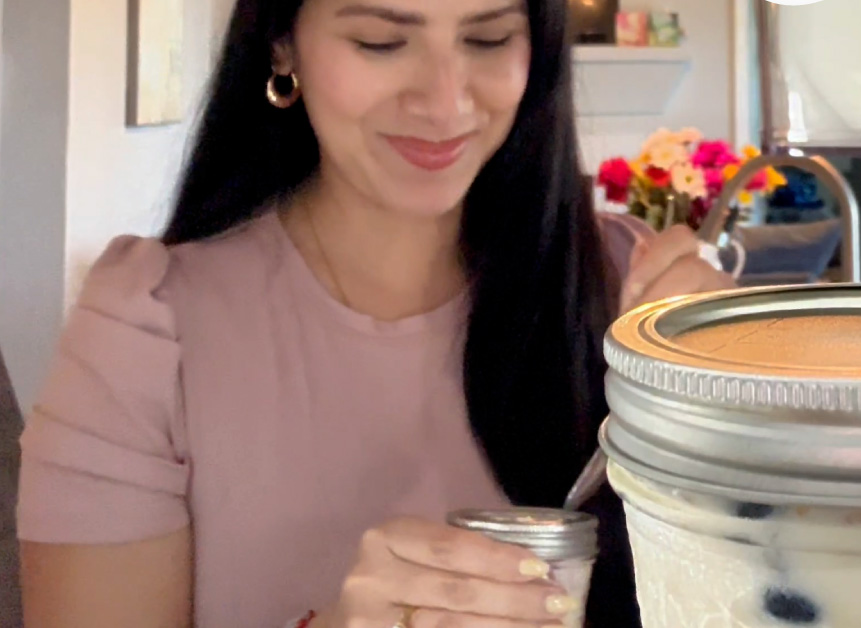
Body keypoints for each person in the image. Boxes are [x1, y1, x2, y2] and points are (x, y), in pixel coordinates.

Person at [15, 0, 734, 626]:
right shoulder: (148, 332)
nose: (446, 100)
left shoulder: (622, 290)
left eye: (487, 40)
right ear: (282, 44)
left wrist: (735, 413)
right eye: (381, 43)